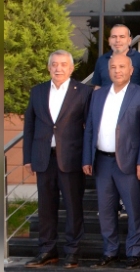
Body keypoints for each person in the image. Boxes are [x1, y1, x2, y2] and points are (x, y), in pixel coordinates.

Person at [83, 53, 140, 270]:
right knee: (105, 210)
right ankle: (110, 251)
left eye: (122, 66)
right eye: (113, 67)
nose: (117, 70)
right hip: (102, 161)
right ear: (108, 71)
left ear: (131, 70)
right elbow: (90, 128)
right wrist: (87, 158)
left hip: (130, 163)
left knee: (134, 209)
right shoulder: (98, 95)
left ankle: (134, 252)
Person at [23, 51, 92, 269]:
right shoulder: (38, 91)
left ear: (71, 68)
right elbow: (29, 126)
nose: (58, 68)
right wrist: (27, 158)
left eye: (63, 64)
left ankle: (72, 252)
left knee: (73, 207)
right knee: (46, 208)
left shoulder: (83, 92)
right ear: (49, 67)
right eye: (54, 64)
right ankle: (47, 250)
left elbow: (90, 128)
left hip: (72, 159)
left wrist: (87, 158)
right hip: (44, 159)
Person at [91, 24, 140, 88]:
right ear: (109, 40)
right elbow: (98, 87)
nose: (117, 40)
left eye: (122, 37)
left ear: (129, 40)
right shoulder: (102, 60)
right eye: (114, 37)